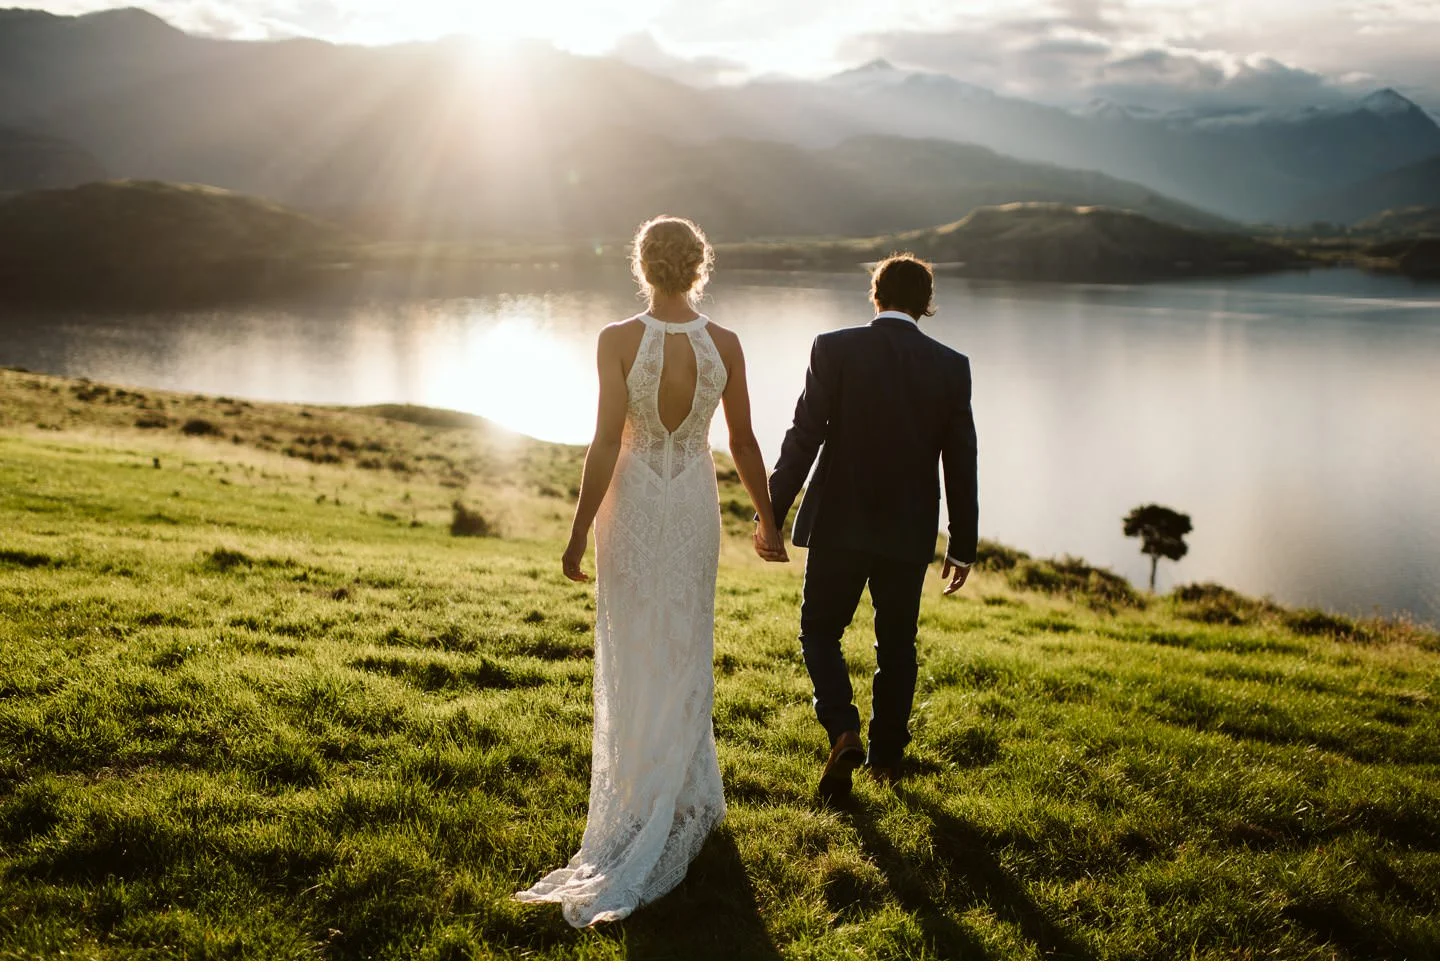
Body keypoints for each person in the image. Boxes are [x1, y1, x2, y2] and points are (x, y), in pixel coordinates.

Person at [514, 215, 787, 927]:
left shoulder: (616, 339)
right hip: (692, 504)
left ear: (644, 265)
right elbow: (745, 441)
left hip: (632, 502)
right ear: (700, 267)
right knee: (684, 642)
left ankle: (641, 795)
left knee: (634, 644)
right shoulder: (724, 344)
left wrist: (576, 531)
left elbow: (606, 440)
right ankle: (682, 793)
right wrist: (768, 518)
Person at [765, 252, 978, 801]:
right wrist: (963, 542)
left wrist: (772, 512)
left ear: (875, 294)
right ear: (926, 306)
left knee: (819, 631)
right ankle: (885, 760)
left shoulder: (834, 348)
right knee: (897, 648)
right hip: (908, 532)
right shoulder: (952, 366)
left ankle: (841, 728)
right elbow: (961, 459)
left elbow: (803, 435)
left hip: (839, 522)